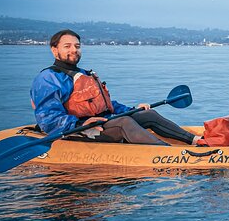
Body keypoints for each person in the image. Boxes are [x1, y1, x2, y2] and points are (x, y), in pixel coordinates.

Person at [30, 29, 201, 146]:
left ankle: (196, 140)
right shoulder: (48, 79)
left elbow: (106, 105)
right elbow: (48, 118)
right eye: (67, 46)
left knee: (147, 114)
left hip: (101, 123)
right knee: (123, 122)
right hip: (77, 130)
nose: (74, 50)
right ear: (54, 50)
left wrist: (133, 109)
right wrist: (81, 123)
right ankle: (169, 154)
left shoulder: (84, 74)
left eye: (77, 46)